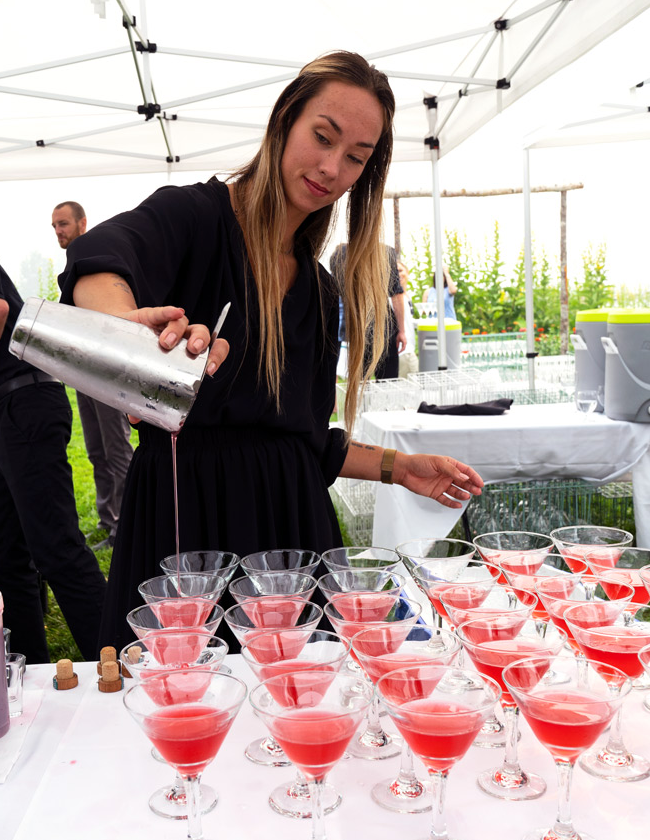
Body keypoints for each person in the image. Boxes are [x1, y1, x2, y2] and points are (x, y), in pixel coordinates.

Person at [59, 51, 483, 652]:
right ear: (284, 120)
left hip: (291, 536)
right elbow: (99, 258)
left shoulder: (318, 287)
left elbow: (306, 441)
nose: (332, 167)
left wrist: (400, 468)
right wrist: (127, 331)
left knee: (298, 715)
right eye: (323, 136)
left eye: (356, 158)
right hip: (189, 522)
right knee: (187, 714)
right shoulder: (195, 217)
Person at [0, 237, 106, 663]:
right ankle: (27, 672)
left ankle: (117, 664)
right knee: (2, 558)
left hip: (21, 404)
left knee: (56, 548)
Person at [52, 201, 134, 550]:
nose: (59, 230)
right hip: (83, 373)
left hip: (108, 373)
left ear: (83, 223)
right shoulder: (72, 268)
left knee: (117, 449)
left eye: (64, 223)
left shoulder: (100, 263)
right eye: (54, 225)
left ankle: (128, 526)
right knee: (96, 450)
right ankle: (108, 520)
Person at [330, 242, 406, 379]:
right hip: (383, 325)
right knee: (387, 383)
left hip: (356, 325)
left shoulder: (341, 253)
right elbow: (397, 295)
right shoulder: (385, 252)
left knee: (358, 384)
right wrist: (402, 331)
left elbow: (335, 294)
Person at [397, 259, 418, 378]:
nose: (398, 274)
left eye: (400, 270)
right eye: (395, 272)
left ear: (407, 272)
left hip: (409, 350)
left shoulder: (407, 296)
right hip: (404, 352)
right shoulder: (394, 298)